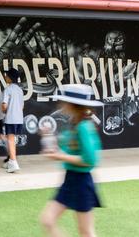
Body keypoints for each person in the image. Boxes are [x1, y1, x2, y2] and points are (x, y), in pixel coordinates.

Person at [40, 84, 103, 237]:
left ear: (71, 104)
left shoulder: (83, 126)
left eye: (63, 101)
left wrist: (59, 156)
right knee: (47, 220)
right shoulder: (75, 123)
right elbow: (67, 149)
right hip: (70, 180)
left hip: (81, 182)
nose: (61, 104)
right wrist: (48, 137)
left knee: (86, 232)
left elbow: (89, 160)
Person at [1, 68, 24, 173]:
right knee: (13, 140)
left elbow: (4, 106)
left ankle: (13, 162)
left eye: (6, 75)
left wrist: (2, 108)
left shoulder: (7, 89)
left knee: (10, 140)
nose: (5, 77)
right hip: (19, 118)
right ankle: (10, 161)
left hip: (11, 118)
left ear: (10, 78)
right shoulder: (20, 90)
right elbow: (22, 106)